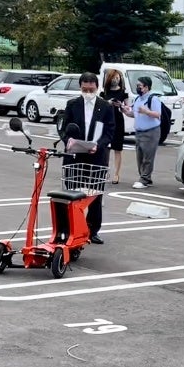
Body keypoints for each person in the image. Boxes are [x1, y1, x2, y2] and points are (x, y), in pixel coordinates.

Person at [60, 72, 115, 244]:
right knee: (72, 194)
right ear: (80, 87)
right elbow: (63, 128)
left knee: (95, 194)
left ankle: (93, 230)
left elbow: (110, 131)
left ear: (97, 87)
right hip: (75, 156)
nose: (88, 92)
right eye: (85, 89)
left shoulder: (106, 106)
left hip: (96, 155)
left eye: (91, 89)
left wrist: (99, 145)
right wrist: (67, 139)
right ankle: (70, 228)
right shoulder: (72, 104)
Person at [120, 76, 162, 189]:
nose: (138, 88)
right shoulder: (138, 99)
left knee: (148, 157)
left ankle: (144, 179)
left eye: (140, 86)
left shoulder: (153, 99)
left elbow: (158, 114)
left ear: (146, 87)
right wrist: (124, 110)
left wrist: (146, 111)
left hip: (151, 132)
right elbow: (134, 113)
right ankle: (145, 177)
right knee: (140, 157)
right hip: (139, 132)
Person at [102, 68, 128, 184]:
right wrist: (108, 103)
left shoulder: (123, 93)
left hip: (118, 120)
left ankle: (116, 174)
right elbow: (100, 106)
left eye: (118, 78)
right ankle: (104, 170)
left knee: (117, 148)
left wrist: (121, 105)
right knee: (105, 147)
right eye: (114, 77)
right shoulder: (104, 92)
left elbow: (128, 109)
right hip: (106, 121)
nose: (116, 80)